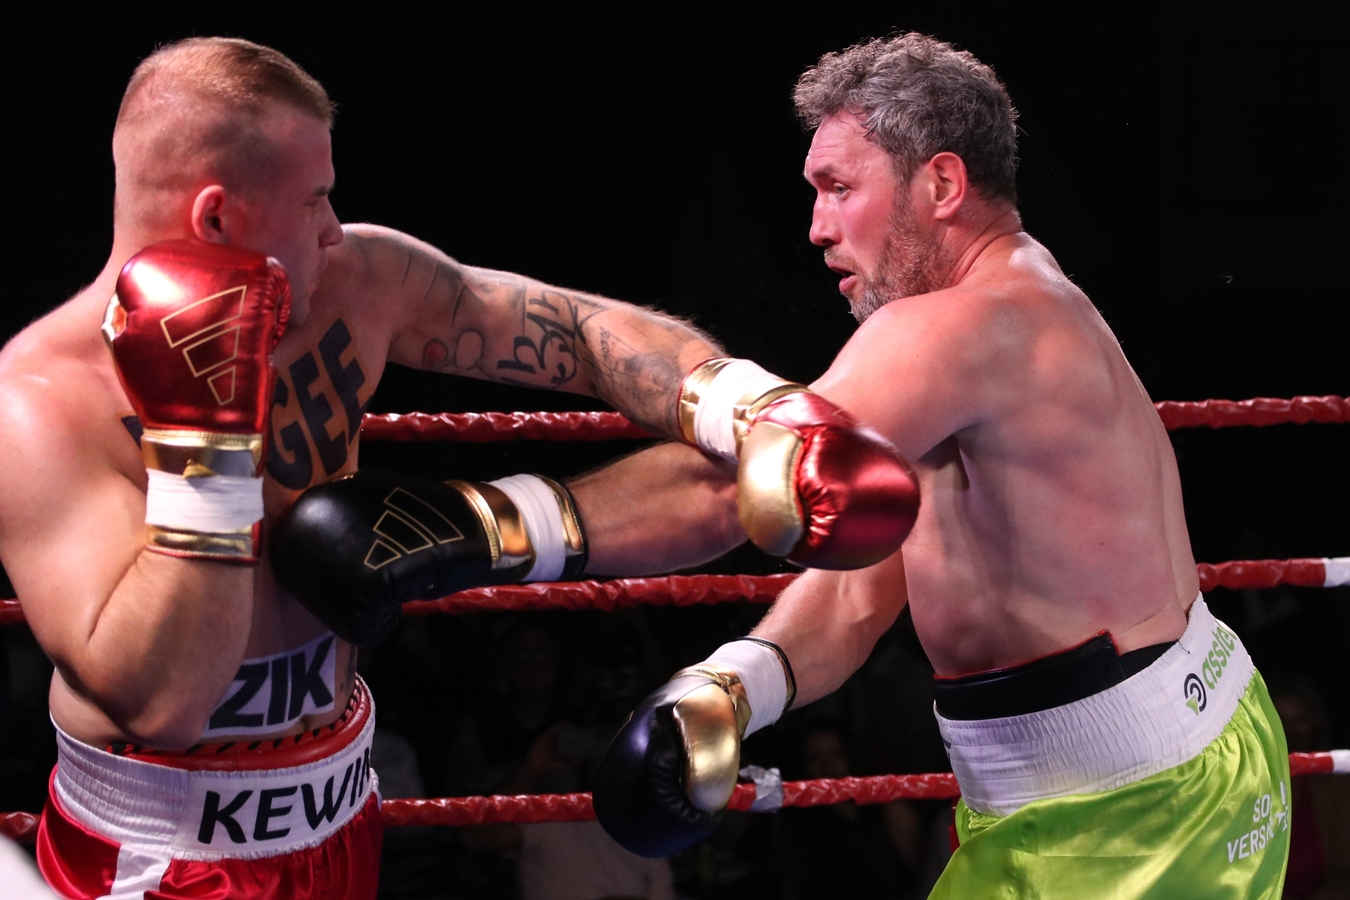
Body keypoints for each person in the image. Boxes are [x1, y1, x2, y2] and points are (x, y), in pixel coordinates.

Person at [0, 37, 916, 899]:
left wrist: (753, 409)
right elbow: (163, 702)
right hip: (157, 852)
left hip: (338, 810)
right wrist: (203, 435)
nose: (332, 228)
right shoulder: (42, 402)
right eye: (313, 199)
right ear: (217, 216)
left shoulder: (354, 284)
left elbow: (580, 331)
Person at [593, 33, 1291, 899]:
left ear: (943, 185)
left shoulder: (961, 326)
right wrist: (734, 685)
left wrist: (513, 525)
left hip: (1128, 819)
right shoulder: (1016, 307)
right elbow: (856, 593)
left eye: (839, 188)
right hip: (1167, 771)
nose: (816, 227)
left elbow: (746, 478)